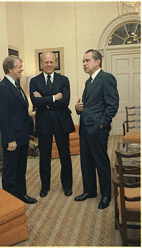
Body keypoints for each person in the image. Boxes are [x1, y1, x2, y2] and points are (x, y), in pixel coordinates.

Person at [74, 49, 119, 209]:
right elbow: (90, 106)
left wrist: (102, 123)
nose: (84, 64)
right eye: (83, 61)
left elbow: (113, 105)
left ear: (97, 61)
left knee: (101, 162)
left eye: (87, 61)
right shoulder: (89, 81)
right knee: (86, 161)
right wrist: (78, 108)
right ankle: (90, 191)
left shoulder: (106, 78)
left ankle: (106, 195)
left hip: (98, 129)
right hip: (85, 128)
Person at [30, 52, 75, 197]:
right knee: (44, 156)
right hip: (43, 123)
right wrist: (55, 98)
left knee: (65, 155)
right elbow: (35, 103)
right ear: (41, 64)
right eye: (46, 62)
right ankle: (45, 187)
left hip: (61, 122)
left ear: (55, 63)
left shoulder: (64, 79)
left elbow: (65, 101)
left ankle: (67, 186)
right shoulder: (34, 81)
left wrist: (45, 101)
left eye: (51, 62)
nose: (48, 65)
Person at [0, 55, 37, 204]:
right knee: (11, 172)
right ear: (10, 69)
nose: (22, 69)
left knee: (20, 169)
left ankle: (21, 195)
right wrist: (10, 139)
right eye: (19, 67)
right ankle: (10, 203)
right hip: (13, 139)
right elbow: (3, 117)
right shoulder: (2, 88)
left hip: (23, 136)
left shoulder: (16, 86)